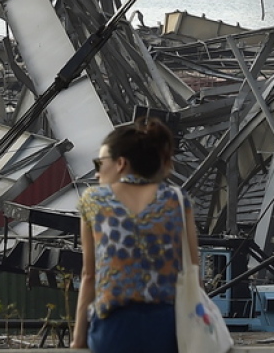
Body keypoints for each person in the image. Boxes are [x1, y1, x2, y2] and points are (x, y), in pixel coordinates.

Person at [71, 117, 197, 353]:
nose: (97, 173)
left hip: (113, 328)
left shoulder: (94, 201)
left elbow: (89, 275)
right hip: (167, 328)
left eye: (100, 164)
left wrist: (79, 339)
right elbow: (193, 272)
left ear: (121, 163)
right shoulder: (177, 201)